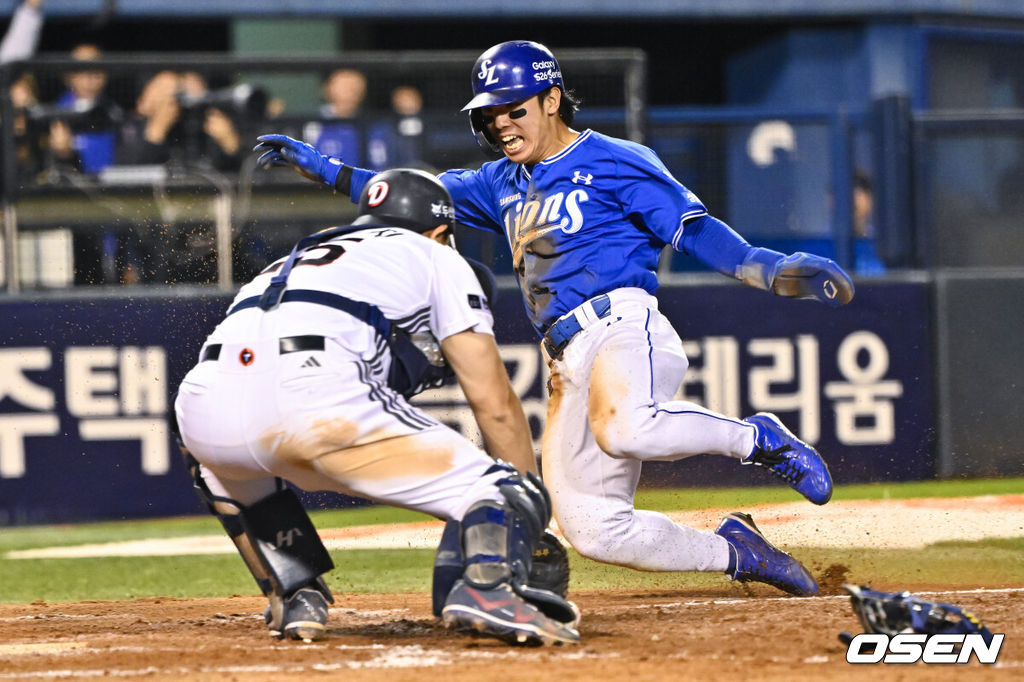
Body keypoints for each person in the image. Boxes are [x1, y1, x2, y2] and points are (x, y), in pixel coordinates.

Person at [254, 40, 857, 597]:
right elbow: (414, 194)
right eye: (490, 115)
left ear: (550, 99)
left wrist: (763, 265)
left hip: (625, 326)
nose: (501, 124)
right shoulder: (499, 183)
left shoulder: (616, 159)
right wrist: (327, 170)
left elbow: (689, 228)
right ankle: (736, 552)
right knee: (593, 529)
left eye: (513, 109)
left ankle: (758, 439)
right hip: (564, 358)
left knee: (626, 428)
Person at [174, 168, 579, 645]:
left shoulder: (296, 257)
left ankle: (293, 591)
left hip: (203, 404)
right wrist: (525, 514)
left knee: (216, 468)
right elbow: (494, 405)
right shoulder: (432, 254)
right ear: (440, 231)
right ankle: (488, 589)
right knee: (512, 492)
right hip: (316, 393)